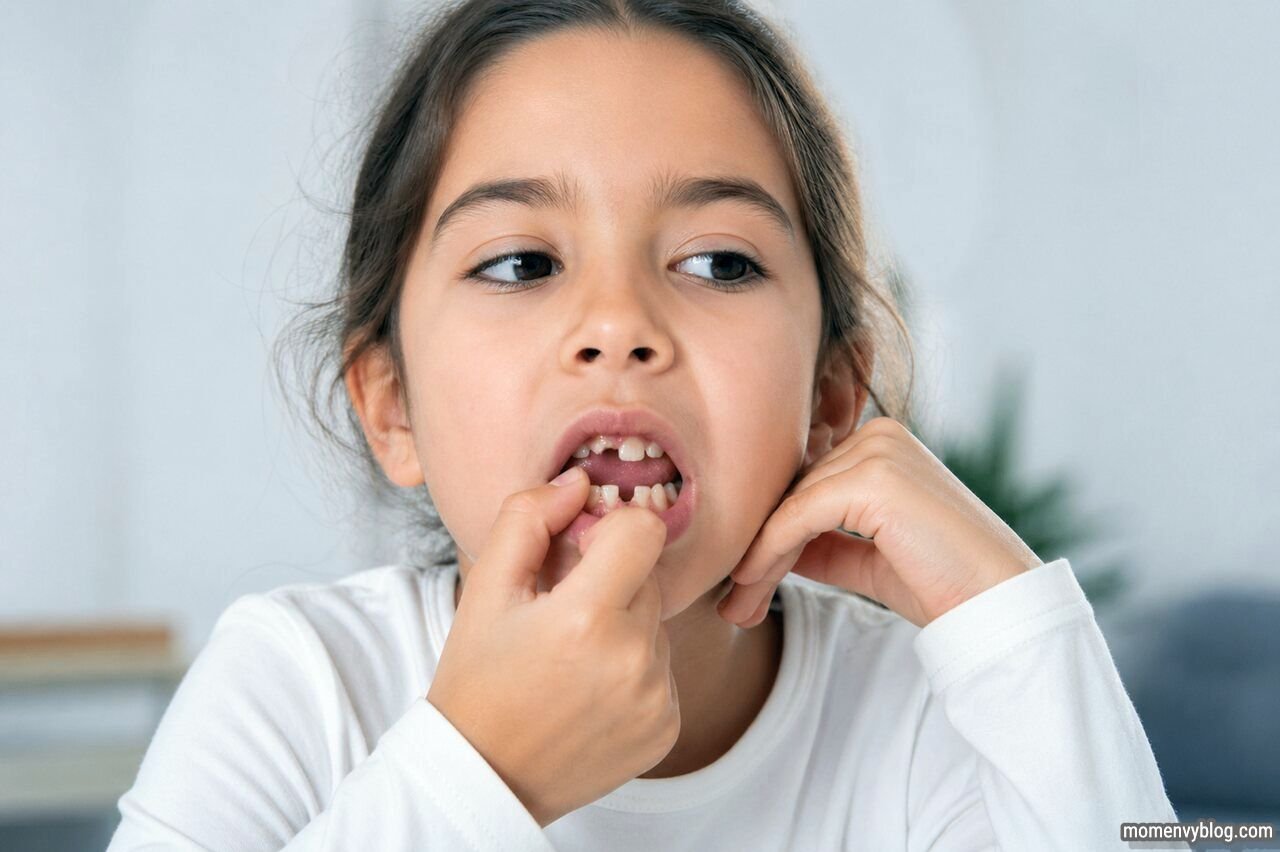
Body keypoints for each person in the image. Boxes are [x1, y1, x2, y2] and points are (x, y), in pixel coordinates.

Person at [108, 0, 1183, 848]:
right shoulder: (299, 685)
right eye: (520, 263)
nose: (617, 325)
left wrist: (1013, 626)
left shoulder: (916, 720)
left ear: (827, 401)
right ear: (392, 407)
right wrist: (480, 771)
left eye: (717, 262)